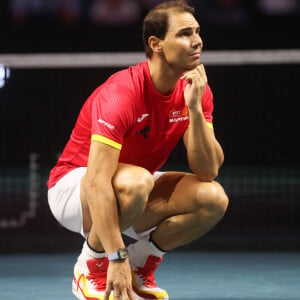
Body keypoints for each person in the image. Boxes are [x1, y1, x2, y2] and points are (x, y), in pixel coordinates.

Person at [47, 1, 229, 299]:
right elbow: (96, 182)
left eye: (197, 32)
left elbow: (208, 171)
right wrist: (114, 257)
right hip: (74, 187)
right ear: (156, 44)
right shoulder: (122, 93)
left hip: (132, 185)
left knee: (213, 198)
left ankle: (140, 265)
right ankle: (89, 266)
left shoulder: (196, 90)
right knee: (136, 182)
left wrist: (194, 108)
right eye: (184, 33)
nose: (197, 41)